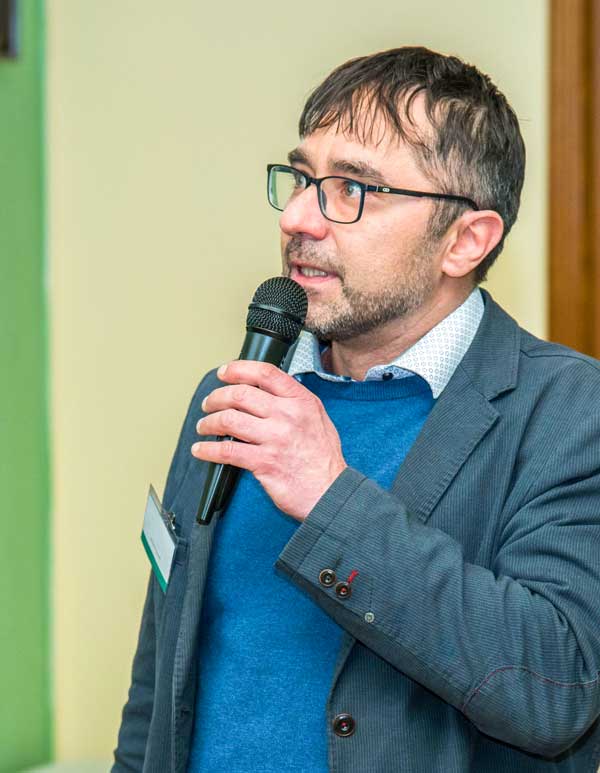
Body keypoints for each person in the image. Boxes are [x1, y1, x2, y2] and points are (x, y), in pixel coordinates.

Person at [112, 47, 600, 772]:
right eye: (304, 177)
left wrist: (330, 497)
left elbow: (555, 685)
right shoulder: (239, 392)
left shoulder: (566, 410)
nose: (301, 216)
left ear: (466, 240)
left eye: (353, 188)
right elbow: (161, 682)